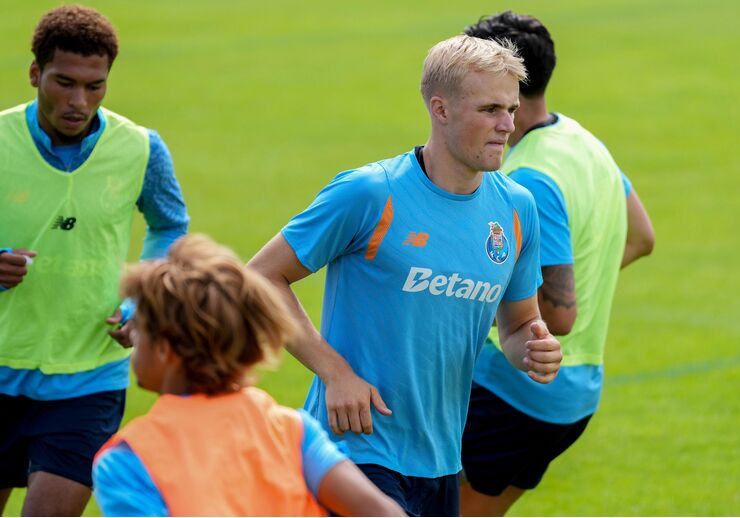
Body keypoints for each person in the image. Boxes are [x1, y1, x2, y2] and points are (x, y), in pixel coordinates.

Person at [248, 35, 563, 517]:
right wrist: (336, 373)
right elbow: (261, 278)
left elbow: (519, 325)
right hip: (354, 448)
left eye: (511, 108)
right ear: (440, 109)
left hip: (440, 460)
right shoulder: (371, 193)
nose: (507, 125)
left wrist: (534, 349)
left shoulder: (517, 208)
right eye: (490, 109)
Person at [0, 5, 189, 516]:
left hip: (90, 375)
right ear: (35, 73)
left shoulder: (142, 149)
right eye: (64, 83)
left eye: (95, 86)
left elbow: (170, 227)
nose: (79, 101)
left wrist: (139, 301)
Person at [459, 11, 656, 516]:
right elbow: (641, 237)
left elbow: (559, 316)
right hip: (575, 394)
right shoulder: (583, 143)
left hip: (514, 390)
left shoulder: (530, 177)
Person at [92, 234, 405, 517]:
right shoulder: (293, 431)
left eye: (141, 329)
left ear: (164, 349)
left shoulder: (128, 459)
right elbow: (383, 513)